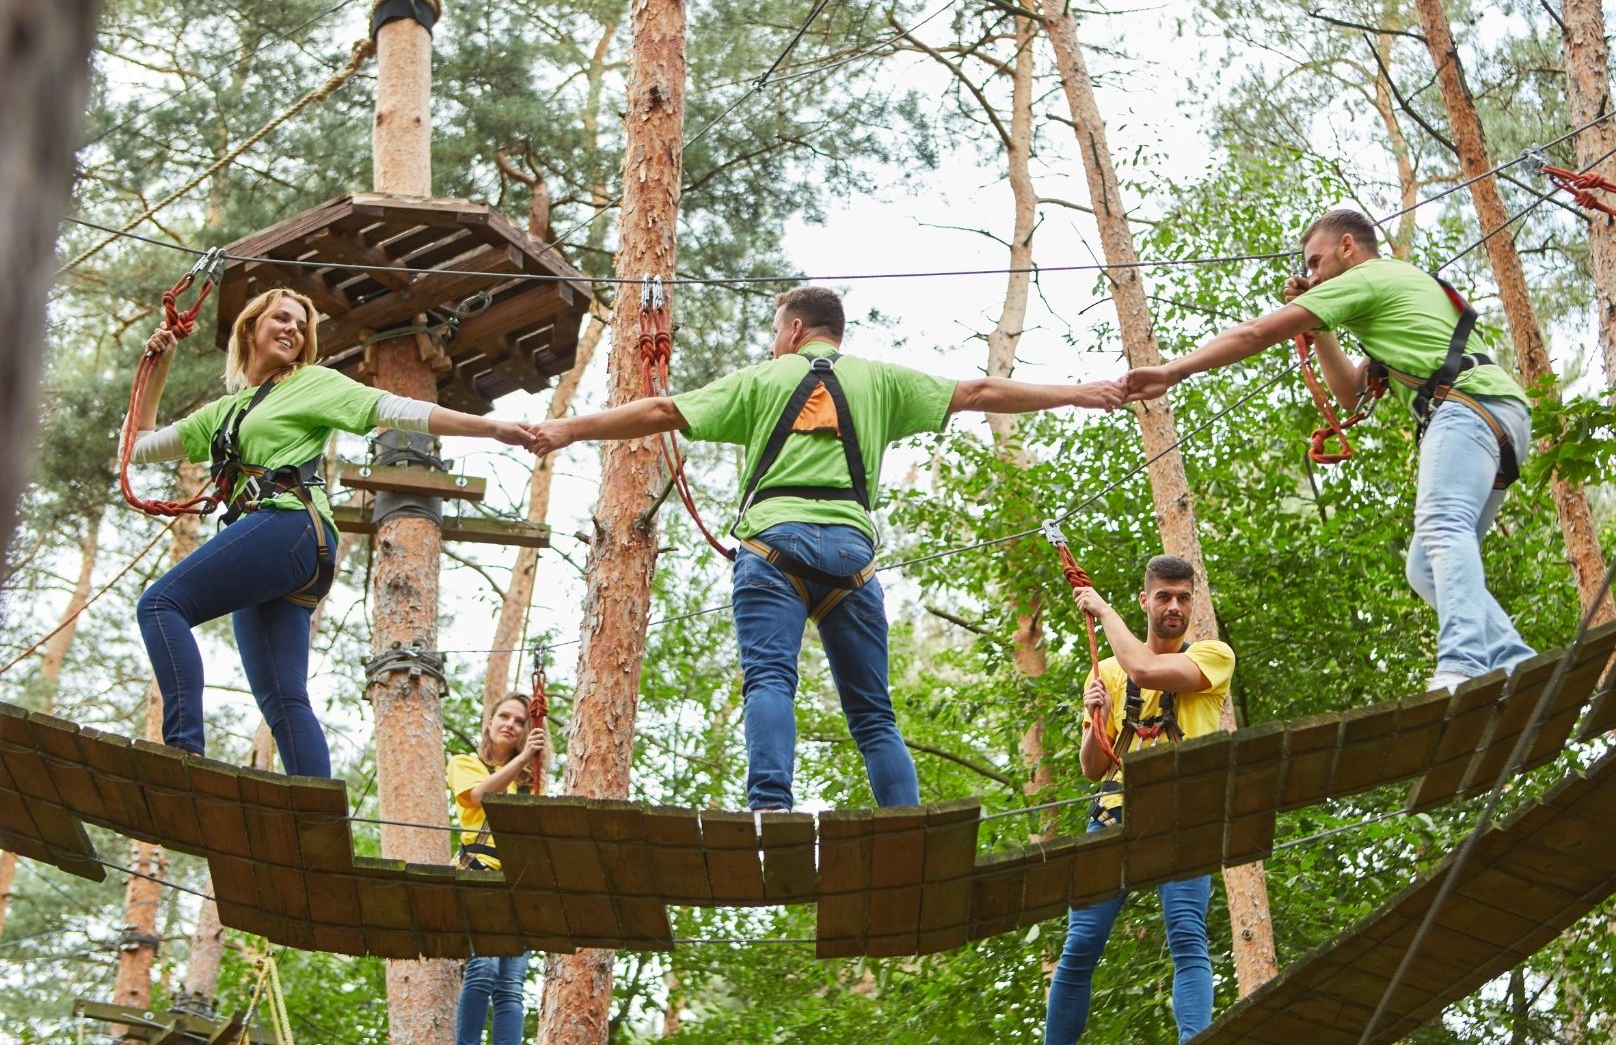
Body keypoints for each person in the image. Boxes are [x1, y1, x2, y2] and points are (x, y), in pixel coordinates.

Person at [524, 285, 1122, 811]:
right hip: (851, 558)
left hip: (772, 546)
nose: (773, 343)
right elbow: (979, 390)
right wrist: (1077, 392)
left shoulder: (764, 378)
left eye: (775, 332)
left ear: (794, 328)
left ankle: (770, 811)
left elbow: (659, 409)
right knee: (873, 714)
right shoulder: (881, 380)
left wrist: (566, 430)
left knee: (769, 681)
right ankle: (905, 823)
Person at [1121, 210, 1534, 689]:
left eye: (1315, 263)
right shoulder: (1394, 289)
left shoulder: (1368, 276)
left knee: (1443, 525)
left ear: (1347, 247)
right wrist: (1323, 331)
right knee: (1425, 567)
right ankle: (1511, 658)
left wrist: (1173, 371)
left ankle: (1462, 662)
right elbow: (1349, 393)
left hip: (1468, 409)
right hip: (1496, 415)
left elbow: (1256, 332)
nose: (1311, 275)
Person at [128, 287, 532, 777]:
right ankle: (318, 821)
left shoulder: (310, 383)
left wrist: (491, 429)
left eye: (301, 327)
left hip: (289, 526)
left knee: (160, 604)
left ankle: (184, 751)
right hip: (282, 548)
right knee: (283, 697)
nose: (293, 331)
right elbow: (140, 447)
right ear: (251, 327)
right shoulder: (222, 413)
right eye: (282, 319)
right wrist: (161, 365)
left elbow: (394, 408)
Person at [1045, 555, 1233, 1044]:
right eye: (1164, 596)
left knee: (1188, 938)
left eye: (1183, 597)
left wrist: (1105, 612)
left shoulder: (1213, 657)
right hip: (1114, 816)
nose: (1174, 606)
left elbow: (1147, 669)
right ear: (1145, 600)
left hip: (1181, 820)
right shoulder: (1106, 672)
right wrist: (1096, 717)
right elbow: (1093, 767)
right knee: (1080, 945)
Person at [447, 692, 547, 1045]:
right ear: (489, 723)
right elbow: (479, 796)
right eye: (504, 717)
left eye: (520, 722)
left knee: (511, 986)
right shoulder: (464, 762)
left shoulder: (529, 785)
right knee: (483, 970)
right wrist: (523, 759)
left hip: (519, 884)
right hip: (479, 874)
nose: (511, 725)